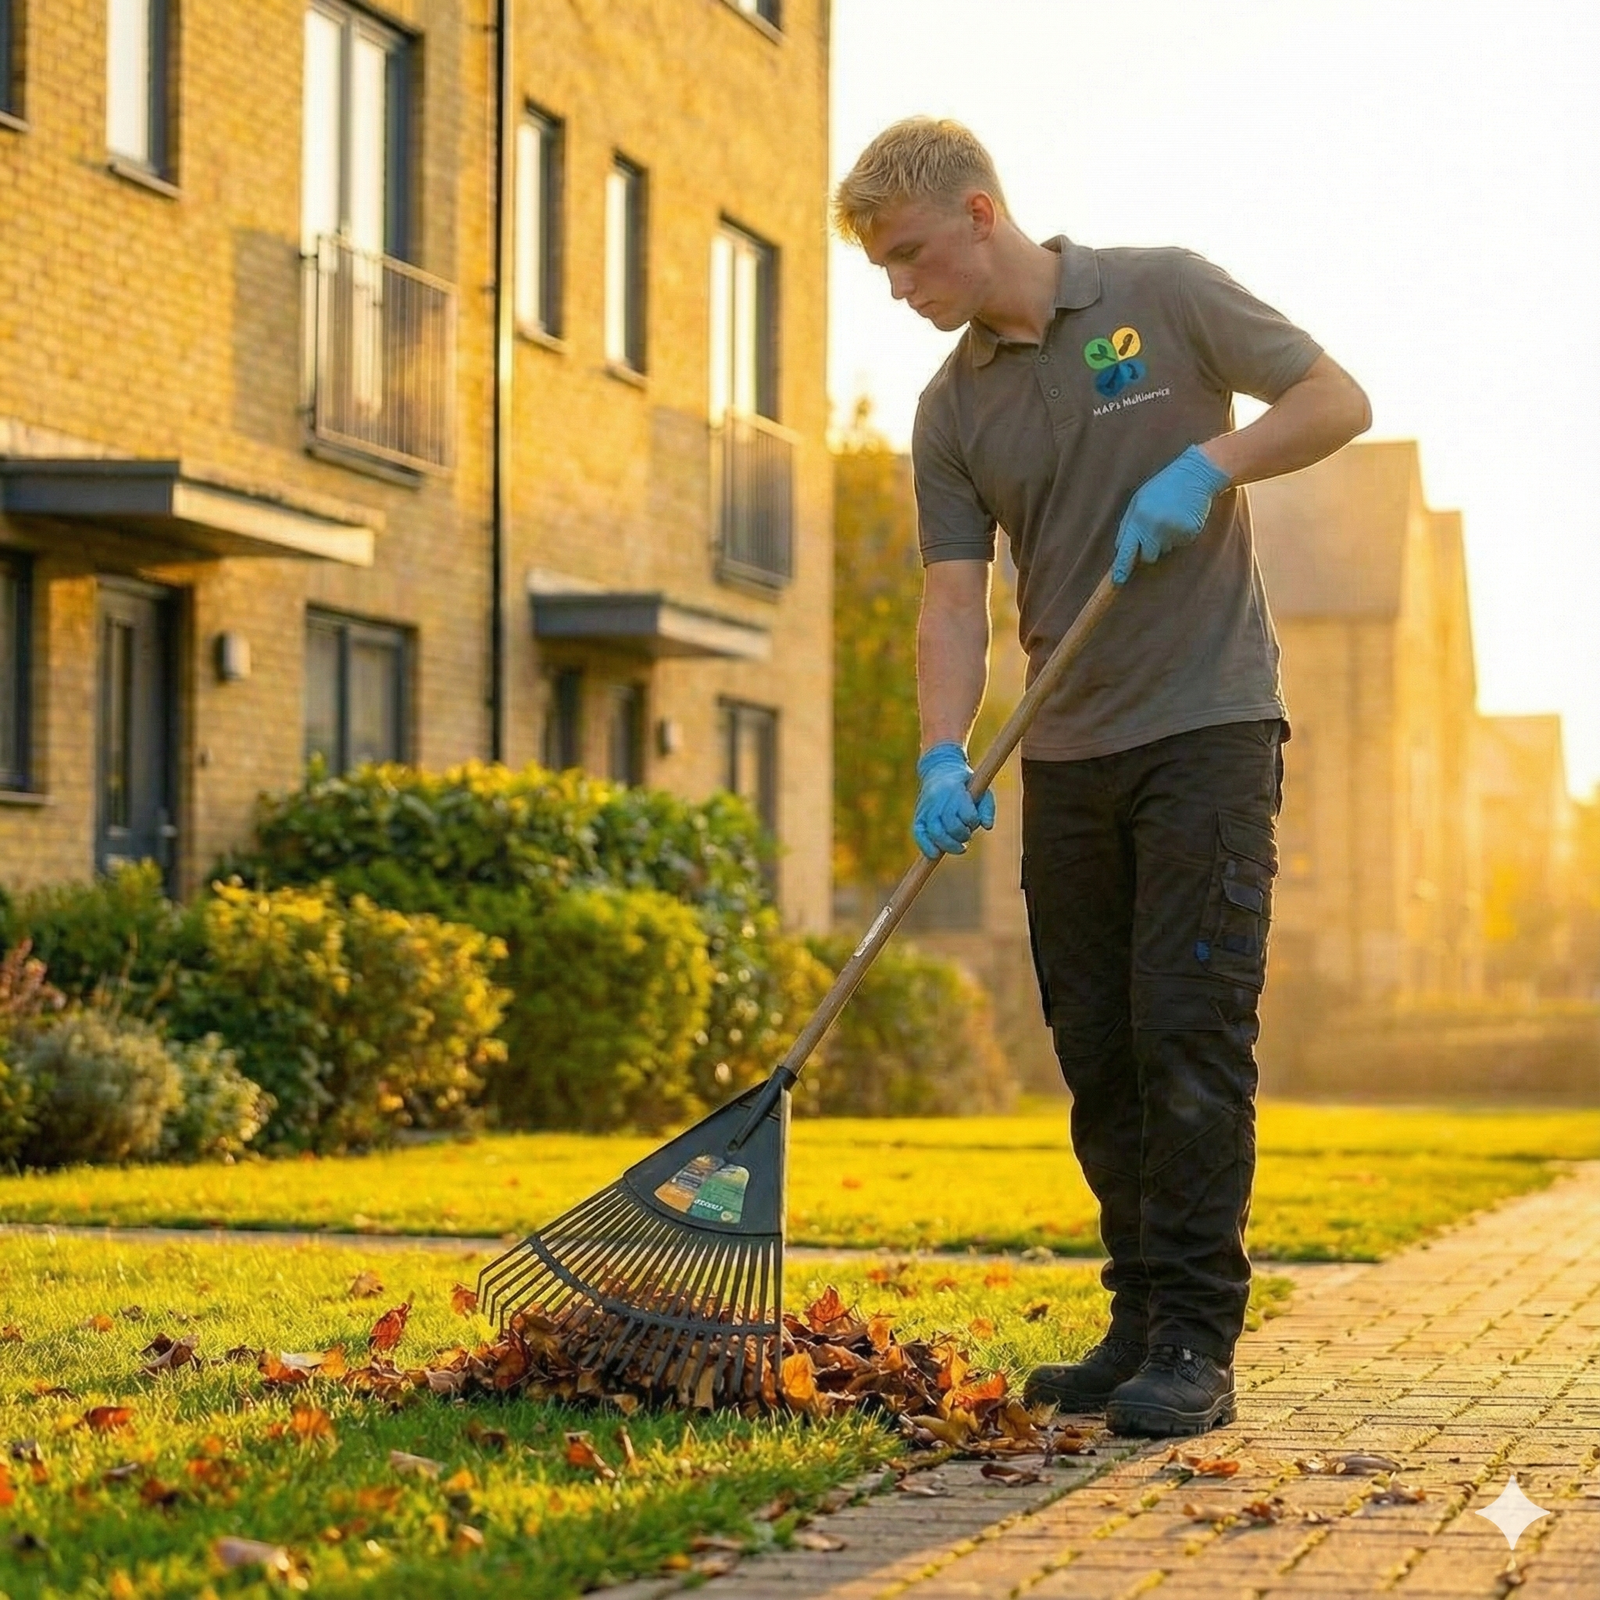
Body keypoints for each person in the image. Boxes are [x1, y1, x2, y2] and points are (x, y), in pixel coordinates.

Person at [833, 118, 1370, 1438]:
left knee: (1188, 1032)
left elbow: (1335, 400)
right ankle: (1137, 1318)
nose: (903, 290)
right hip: (1065, 756)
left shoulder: (1163, 293)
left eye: (910, 258)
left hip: (1207, 728)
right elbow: (952, 604)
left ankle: (1196, 1336)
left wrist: (1211, 461)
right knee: (1100, 1049)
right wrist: (941, 749)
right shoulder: (953, 408)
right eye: (882, 273)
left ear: (977, 211)